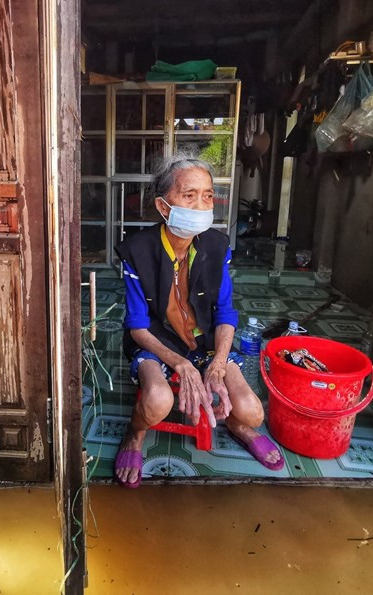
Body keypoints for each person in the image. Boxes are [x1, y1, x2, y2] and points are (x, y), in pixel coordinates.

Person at [114, 154, 284, 488]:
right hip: (156, 342)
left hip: (206, 343)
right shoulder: (138, 251)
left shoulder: (217, 247)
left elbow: (225, 313)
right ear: (164, 208)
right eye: (189, 195)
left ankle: (237, 426)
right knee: (157, 401)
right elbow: (137, 325)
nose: (202, 204)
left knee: (252, 411)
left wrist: (218, 363)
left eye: (207, 195)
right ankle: (135, 434)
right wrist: (181, 365)